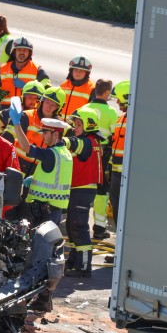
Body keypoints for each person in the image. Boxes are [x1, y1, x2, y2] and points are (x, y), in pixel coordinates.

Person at [11, 109, 72, 312]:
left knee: (35, 256)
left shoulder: (50, 154)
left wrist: (16, 124)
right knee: (50, 256)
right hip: (54, 212)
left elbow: (27, 148)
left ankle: (27, 297)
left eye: (45, 133)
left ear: (56, 134)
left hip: (43, 212)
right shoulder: (66, 154)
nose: (42, 136)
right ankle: (45, 298)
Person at [62, 106, 103, 278]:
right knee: (72, 226)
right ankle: (73, 260)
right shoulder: (91, 141)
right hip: (79, 188)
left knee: (79, 227)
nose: (75, 128)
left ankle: (84, 266)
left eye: (78, 125)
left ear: (88, 125)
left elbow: (73, 144)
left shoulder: (88, 142)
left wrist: (59, 140)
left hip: (83, 189)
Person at [83, 79, 119, 240]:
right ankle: (99, 228)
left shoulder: (84, 108)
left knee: (81, 189)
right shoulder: (111, 113)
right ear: (106, 93)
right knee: (101, 192)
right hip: (102, 156)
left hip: (83, 153)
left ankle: (78, 225)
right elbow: (115, 136)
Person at [0, 36, 51, 115]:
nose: (22, 53)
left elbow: (48, 92)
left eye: (25, 50)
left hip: (28, 113)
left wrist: (26, 87)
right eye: (19, 50)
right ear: (14, 52)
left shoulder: (37, 70)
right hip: (5, 111)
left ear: (29, 53)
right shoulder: (3, 69)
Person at [108, 81, 130, 231]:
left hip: (127, 175)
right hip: (116, 173)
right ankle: (119, 246)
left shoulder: (136, 120)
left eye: (119, 99)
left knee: (124, 209)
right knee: (116, 205)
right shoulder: (121, 118)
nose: (117, 102)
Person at [60, 56, 95, 120]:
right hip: (59, 125)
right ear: (71, 71)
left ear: (86, 73)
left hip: (77, 128)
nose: (78, 72)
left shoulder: (92, 89)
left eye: (81, 70)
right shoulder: (63, 86)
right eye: (76, 70)